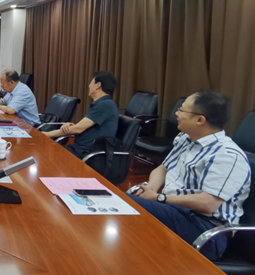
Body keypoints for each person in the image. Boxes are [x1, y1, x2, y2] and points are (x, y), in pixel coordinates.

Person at [128, 90, 251, 261]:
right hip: (177, 212)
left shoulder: (227, 155)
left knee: (126, 205)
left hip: (206, 230)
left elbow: (208, 203)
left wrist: (158, 198)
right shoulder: (186, 139)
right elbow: (162, 169)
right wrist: (151, 188)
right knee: (122, 204)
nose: (177, 114)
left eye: (182, 110)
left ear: (200, 120)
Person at [43, 71, 119, 159]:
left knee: (43, 152)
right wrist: (70, 126)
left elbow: (78, 129)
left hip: (85, 154)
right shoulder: (104, 104)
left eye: (91, 82)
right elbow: (82, 127)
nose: (89, 86)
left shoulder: (104, 105)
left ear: (98, 85)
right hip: (79, 150)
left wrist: (45, 134)